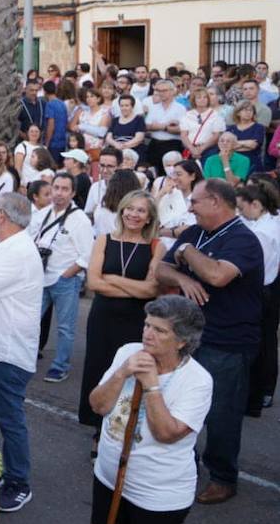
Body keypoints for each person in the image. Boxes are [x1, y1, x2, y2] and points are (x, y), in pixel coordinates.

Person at [59, 297, 213, 524]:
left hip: (158, 490)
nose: (147, 334)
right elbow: (98, 405)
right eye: (147, 325)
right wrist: (123, 372)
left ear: (182, 341)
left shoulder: (197, 381)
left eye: (159, 330)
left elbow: (168, 432)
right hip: (111, 474)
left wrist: (153, 385)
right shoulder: (128, 351)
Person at [154, 179, 263, 505]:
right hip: (190, 335)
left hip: (228, 340)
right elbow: (161, 269)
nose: (189, 207)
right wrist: (183, 275)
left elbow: (217, 275)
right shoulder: (195, 233)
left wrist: (187, 253)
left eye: (196, 202)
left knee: (221, 413)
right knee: (176, 400)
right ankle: (185, 464)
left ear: (216, 202)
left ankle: (223, 476)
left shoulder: (243, 240)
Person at [0, 191, 42, 512]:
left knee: (9, 418)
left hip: (8, 350)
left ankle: (18, 482)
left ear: (2, 215)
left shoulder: (17, 252)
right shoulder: (2, 245)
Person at [81, 191, 164, 440]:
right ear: (122, 211)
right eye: (130, 209)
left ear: (149, 217)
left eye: (140, 210)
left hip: (136, 322)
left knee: (128, 373)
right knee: (99, 369)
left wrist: (114, 279)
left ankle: (121, 427)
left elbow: (151, 289)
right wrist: (134, 289)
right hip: (102, 319)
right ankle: (98, 430)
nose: (133, 214)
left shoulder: (156, 247)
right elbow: (94, 282)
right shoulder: (104, 240)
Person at [35, 173, 96, 384]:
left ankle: (60, 366)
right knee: (31, 321)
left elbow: (88, 254)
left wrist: (67, 274)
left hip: (65, 280)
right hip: (41, 277)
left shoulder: (79, 220)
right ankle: (27, 357)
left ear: (73, 193)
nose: (59, 193)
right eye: (56, 188)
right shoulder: (43, 213)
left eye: (64, 189)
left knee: (65, 327)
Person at [237, 181, 280, 413]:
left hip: (260, 290)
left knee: (259, 346)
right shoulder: (268, 222)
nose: (241, 213)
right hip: (265, 289)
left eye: (242, 208)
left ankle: (254, 398)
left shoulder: (263, 232)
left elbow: (252, 266)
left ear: (256, 205)